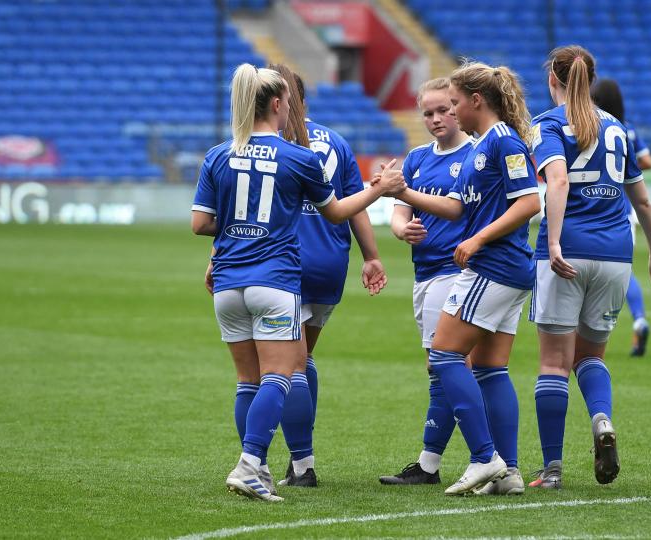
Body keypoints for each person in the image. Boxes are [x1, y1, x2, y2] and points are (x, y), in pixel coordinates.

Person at [191, 64, 405, 502]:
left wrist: (237, 230)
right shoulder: (299, 157)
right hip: (275, 280)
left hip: (227, 283)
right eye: (288, 102)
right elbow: (337, 212)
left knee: (247, 380)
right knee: (283, 372)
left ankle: (260, 469)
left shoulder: (217, 154)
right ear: (276, 103)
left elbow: (200, 223)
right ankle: (252, 464)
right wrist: (380, 188)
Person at [390, 62, 541, 496]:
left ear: (476, 100)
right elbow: (457, 207)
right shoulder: (483, 147)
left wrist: (478, 239)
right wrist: (401, 192)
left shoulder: (503, 141)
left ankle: (483, 457)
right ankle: (508, 473)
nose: (451, 111)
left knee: (444, 356)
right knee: (491, 370)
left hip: (496, 265)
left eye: (454, 103)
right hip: (506, 268)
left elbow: (530, 202)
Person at [528, 46, 651, 490]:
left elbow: (557, 181)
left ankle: (552, 470)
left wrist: (553, 241)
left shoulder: (547, 124)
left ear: (552, 79)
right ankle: (602, 420)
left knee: (554, 363)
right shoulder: (618, 128)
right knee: (590, 358)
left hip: (567, 252)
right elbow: (642, 200)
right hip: (615, 255)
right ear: (590, 80)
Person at [268, 65, 389, 488]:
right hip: (329, 263)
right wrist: (372, 257)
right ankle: (299, 456)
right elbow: (355, 204)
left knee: (291, 365)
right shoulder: (336, 141)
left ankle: (302, 464)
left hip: (285, 261)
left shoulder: (268, 144)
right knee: (303, 358)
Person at [379, 77, 472, 486]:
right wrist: (403, 230)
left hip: (456, 272)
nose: (435, 119)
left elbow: (457, 209)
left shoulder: (474, 154)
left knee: (445, 365)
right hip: (425, 274)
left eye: (443, 110)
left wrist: (405, 198)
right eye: (428, 113)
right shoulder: (416, 158)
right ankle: (468, 459)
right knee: (446, 367)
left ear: (457, 108)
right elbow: (399, 213)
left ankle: (440, 462)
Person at [591, 78, 651, 357]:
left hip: (593, 208)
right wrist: (621, 163)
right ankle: (639, 320)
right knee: (622, 271)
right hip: (623, 213)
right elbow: (648, 161)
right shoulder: (626, 129)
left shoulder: (594, 126)